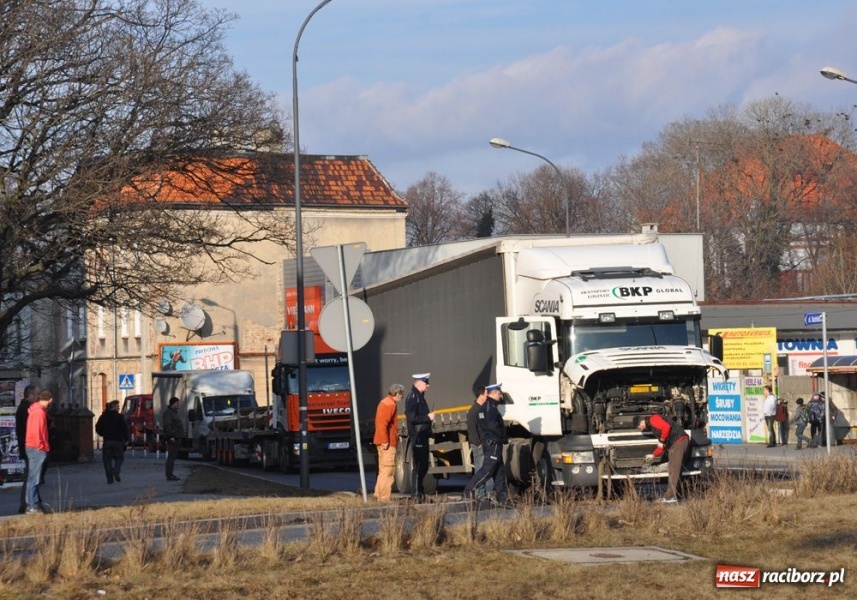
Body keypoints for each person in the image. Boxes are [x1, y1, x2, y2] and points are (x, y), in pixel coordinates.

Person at [462, 383, 510, 507]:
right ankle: (468, 491)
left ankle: (503, 498)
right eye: (499, 393)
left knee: (499, 473)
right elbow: (493, 427)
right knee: (487, 471)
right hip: (493, 444)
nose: (501, 395)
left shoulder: (489, 407)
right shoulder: (489, 408)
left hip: (494, 444)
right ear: (493, 393)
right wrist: (503, 437)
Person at [635, 412, 688, 504]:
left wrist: (662, 439)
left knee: (673, 470)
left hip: (678, 442)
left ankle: (670, 497)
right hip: (677, 443)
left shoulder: (653, 419)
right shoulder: (653, 426)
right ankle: (673, 495)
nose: (639, 429)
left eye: (638, 427)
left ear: (641, 422)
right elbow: (662, 445)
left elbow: (666, 427)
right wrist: (653, 455)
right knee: (674, 469)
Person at [404, 372, 435, 501]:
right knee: (418, 465)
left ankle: (419, 492)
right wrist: (427, 417)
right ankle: (416, 494)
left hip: (423, 434)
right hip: (417, 435)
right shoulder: (413, 397)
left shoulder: (419, 396)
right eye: (426, 383)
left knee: (424, 465)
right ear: (419, 383)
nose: (428, 385)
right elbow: (411, 417)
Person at [372, 383, 404, 503]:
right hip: (387, 442)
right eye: (401, 394)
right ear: (396, 394)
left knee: (382, 469)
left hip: (381, 441)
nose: (402, 396)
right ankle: (384, 497)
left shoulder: (384, 402)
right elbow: (383, 424)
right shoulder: (390, 404)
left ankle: (378, 493)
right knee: (388, 469)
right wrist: (386, 440)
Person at [25, 390, 53, 514]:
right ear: (50, 400)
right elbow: (37, 432)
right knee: (34, 479)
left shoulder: (36, 410)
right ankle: (32, 505)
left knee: (34, 478)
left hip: (33, 447)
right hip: (36, 448)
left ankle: (35, 503)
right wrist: (41, 447)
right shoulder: (39, 413)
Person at [466, 386, 493, 500]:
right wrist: (478, 444)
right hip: (479, 445)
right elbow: (472, 430)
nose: (488, 397)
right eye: (487, 395)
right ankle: (480, 494)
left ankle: (490, 493)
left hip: (487, 444)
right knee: (480, 469)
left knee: (489, 469)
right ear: (481, 395)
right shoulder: (473, 411)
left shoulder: (484, 409)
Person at [15, 385, 38, 514]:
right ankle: (27, 504)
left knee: (30, 476)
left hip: (26, 446)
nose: (37, 397)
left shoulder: (23, 408)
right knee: (31, 477)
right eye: (36, 394)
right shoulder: (26, 409)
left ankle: (27, 503)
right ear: (30, 395)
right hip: (29, 446)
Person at [95, 399, 130, 484]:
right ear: (113, 407)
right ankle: (116, 470)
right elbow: (124, 429)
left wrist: (103, 434)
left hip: (107, 441)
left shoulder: (103, 417)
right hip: (118, 441)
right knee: (119, 458)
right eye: (117, 406)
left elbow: (98, 428)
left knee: (107, 460)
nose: (119, 408)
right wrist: (126, 439)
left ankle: (110, 479)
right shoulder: (119, 417)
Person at [162, 396, 184, 481]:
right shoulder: (168, 413)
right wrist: (171, 436)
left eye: (178, 403)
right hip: (172, 438)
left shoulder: (174, 413)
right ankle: (169, 475)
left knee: (173, 457)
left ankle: (170, 474)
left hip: (176, 437)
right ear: (172, 404)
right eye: (176, 403)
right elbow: (167, 425)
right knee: (171, 457)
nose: (178, 405)